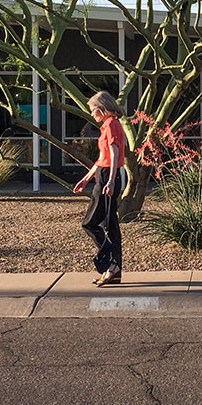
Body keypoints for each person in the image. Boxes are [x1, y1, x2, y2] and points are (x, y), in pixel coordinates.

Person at [72, 91, 126, 287]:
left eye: (93, 111)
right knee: (108, 223)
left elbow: (114, 154)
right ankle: (114, 269)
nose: (92, 115)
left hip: (106, 177)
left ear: (102, 108)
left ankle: (107, 262)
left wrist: (111, 181)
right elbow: (102, 159)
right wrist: (85, 179)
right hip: (102, 175)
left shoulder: (111, 125)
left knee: (90, 222)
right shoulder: (107, 126)